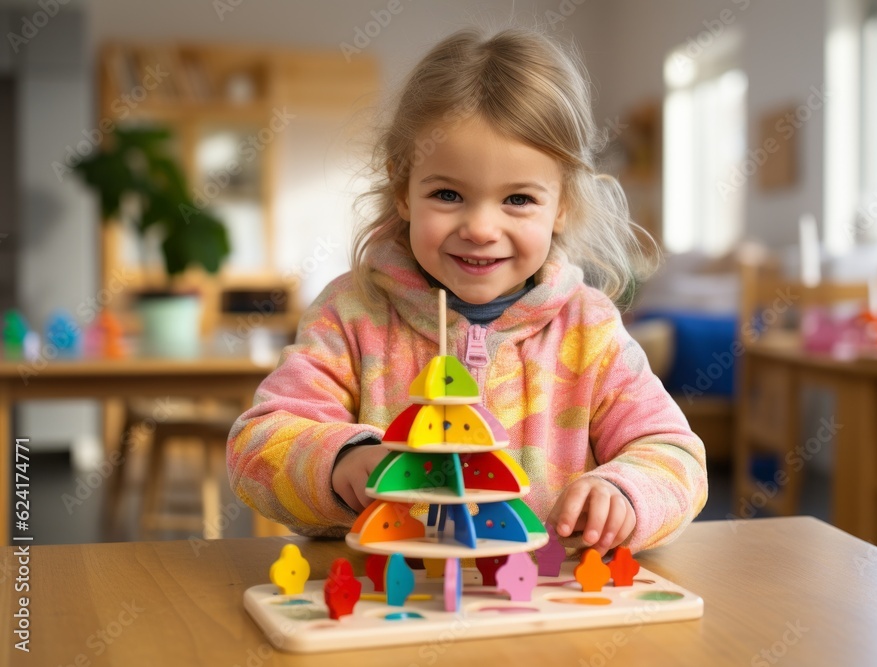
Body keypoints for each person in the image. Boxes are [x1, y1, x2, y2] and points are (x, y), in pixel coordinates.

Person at [228, 26, 707, 554]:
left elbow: (675, 455)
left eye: (519, 199)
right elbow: (258, 448)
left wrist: (624, 492)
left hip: (541, 612)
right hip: (389, 607)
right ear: (403, 189)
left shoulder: (589, 329)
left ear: (564, 204)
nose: (480, 227)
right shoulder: (350, 313)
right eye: (448, 193)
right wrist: (342, 460)